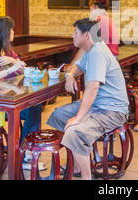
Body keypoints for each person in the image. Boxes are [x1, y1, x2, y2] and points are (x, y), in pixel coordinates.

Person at [47, 18, 129, 180]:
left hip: (111, 110)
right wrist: (70, 75)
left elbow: (93, 87)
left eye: (75, 32)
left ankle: (86, 176)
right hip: (97, 106)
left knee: (74, 131)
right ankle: (77, 164)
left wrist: (79, 118)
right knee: (58, 115)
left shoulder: (98, 52)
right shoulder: (91, 50)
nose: (73, 36)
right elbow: (78, 67)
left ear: (86, 35)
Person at [0, 16, 44, 169]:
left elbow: (23, 69)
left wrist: (13, 62)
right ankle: (24, 154)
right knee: (31, 110)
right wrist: (11, 69)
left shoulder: (7, 52)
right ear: (3, 32)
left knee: (35, 107)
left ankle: (25, 152)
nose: (13, 32)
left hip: (7, 101)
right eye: (11, 29)